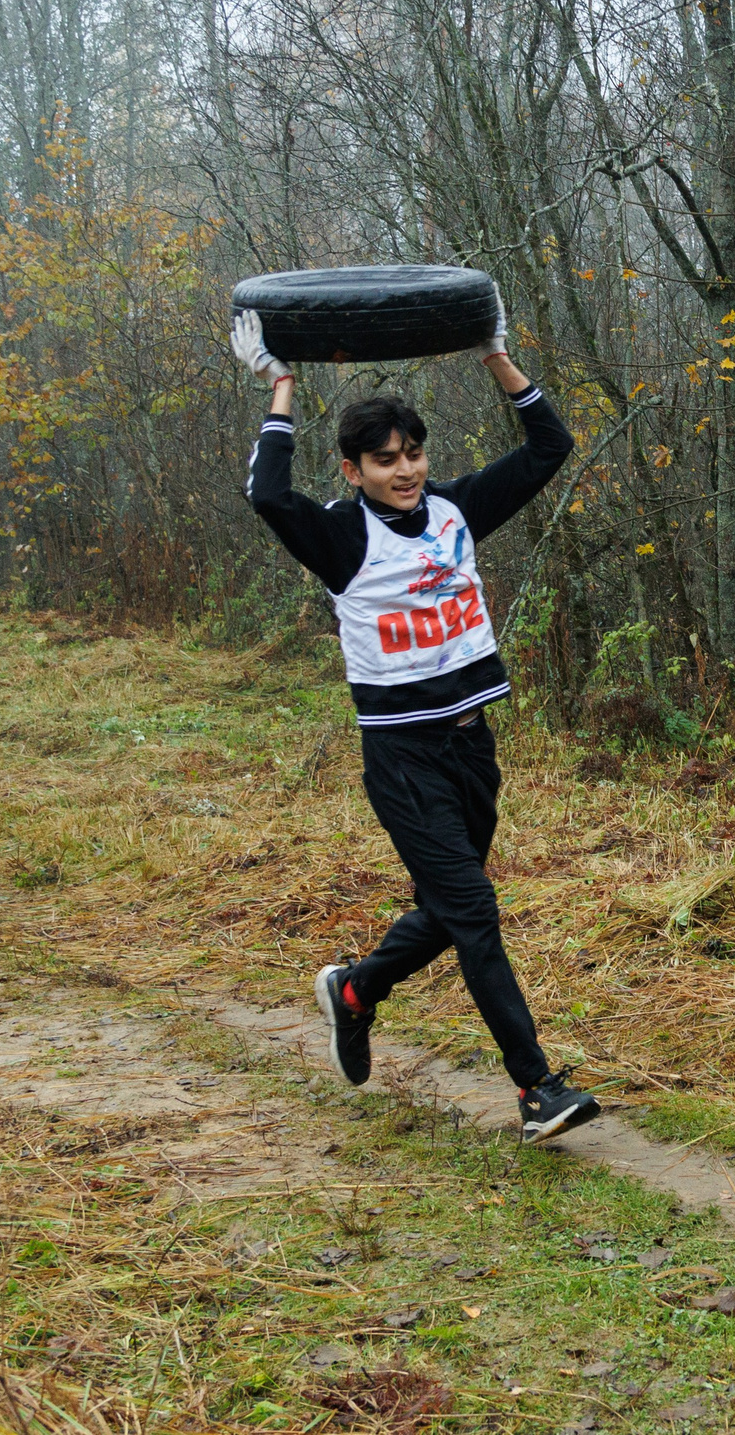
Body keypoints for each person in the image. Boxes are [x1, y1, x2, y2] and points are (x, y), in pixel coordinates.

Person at [232, 300, 600, 1143]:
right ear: (354, 469)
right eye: (385, 460)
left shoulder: (457, 511)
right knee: (473, 909)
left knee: (449, 907)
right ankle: (536, 1086)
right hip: (402, 758)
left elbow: (551, 447)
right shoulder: (338, 538)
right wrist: (280, 383)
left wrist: (496, 354)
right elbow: (266, 490)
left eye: (414, 454)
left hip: (472, 744)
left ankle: (356, 989)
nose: (405, 470)